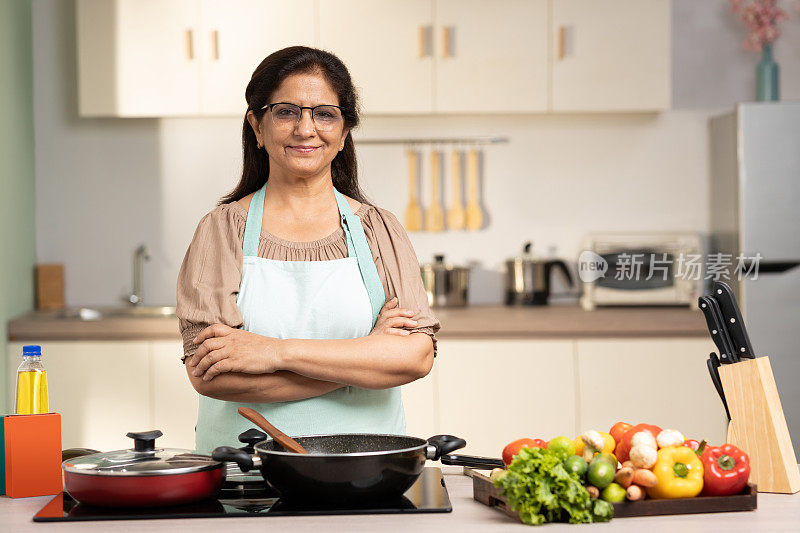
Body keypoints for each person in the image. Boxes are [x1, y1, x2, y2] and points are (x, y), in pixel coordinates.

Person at [176, 46, 440, 452]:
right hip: (246, 474)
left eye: (324, 113)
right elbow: (210, 373)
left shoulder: (379, 230)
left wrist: (274, 352)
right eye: (286, 112)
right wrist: (365, 359)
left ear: (344, 131)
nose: (305, 129)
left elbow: (415, 358)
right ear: (257, 126)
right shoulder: (223, 229)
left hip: (366, 468)